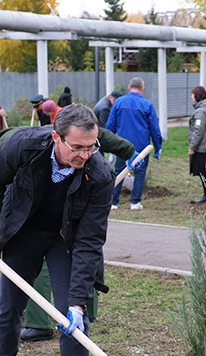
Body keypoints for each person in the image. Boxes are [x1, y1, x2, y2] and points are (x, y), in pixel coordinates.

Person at [0, 104, 113, 356]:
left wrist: (78, 301)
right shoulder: (23, 145)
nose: (85, 154)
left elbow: (90, 240)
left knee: (72, 320)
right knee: (9, 307)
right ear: (56, 138)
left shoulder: (99, 174)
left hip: (67, 240)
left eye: (91, 146)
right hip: (23, 232)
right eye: (77, 147)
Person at [19, 127, 137, 343]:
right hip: (66, 202)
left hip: (77, 199)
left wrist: (129, 152)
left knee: (77, 253)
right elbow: (106, 136)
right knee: (84, 251)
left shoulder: (70, 127)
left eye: (88, 147)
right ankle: (84, 311)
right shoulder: (67, 129)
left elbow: (103, 137)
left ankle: (41, 323)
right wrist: (129, 151)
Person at [106, 77, 163, 210]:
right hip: (141, 147)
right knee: (140, 173)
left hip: (121, 145)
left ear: (129, 87)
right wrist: (158, 146)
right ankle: (135, 202)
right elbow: (154, 128)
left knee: (119, 171)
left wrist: (108, 145)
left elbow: (110, 125)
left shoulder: (119, 102)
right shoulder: (147, 105)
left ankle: (114, 202)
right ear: (142, 89)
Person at [188, 85, 206, 204]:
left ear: (197, 96)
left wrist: (192, 147)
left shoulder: (200, 112)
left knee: (204, 173)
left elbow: (198, 130)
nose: (191, 96)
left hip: (202, 147)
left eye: (193, 94)